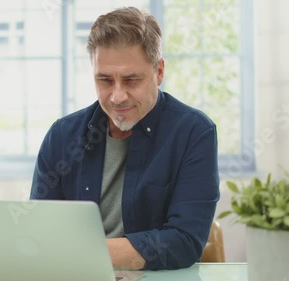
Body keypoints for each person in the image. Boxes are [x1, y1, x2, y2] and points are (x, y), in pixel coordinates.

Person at [30, 6, 219, 271]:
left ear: (159, 72)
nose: (117, 96)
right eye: (105, 80)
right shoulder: (62, 136)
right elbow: (40, 233)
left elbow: (184, 242)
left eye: (131, 80)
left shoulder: (193, 132)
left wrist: (79, 250)